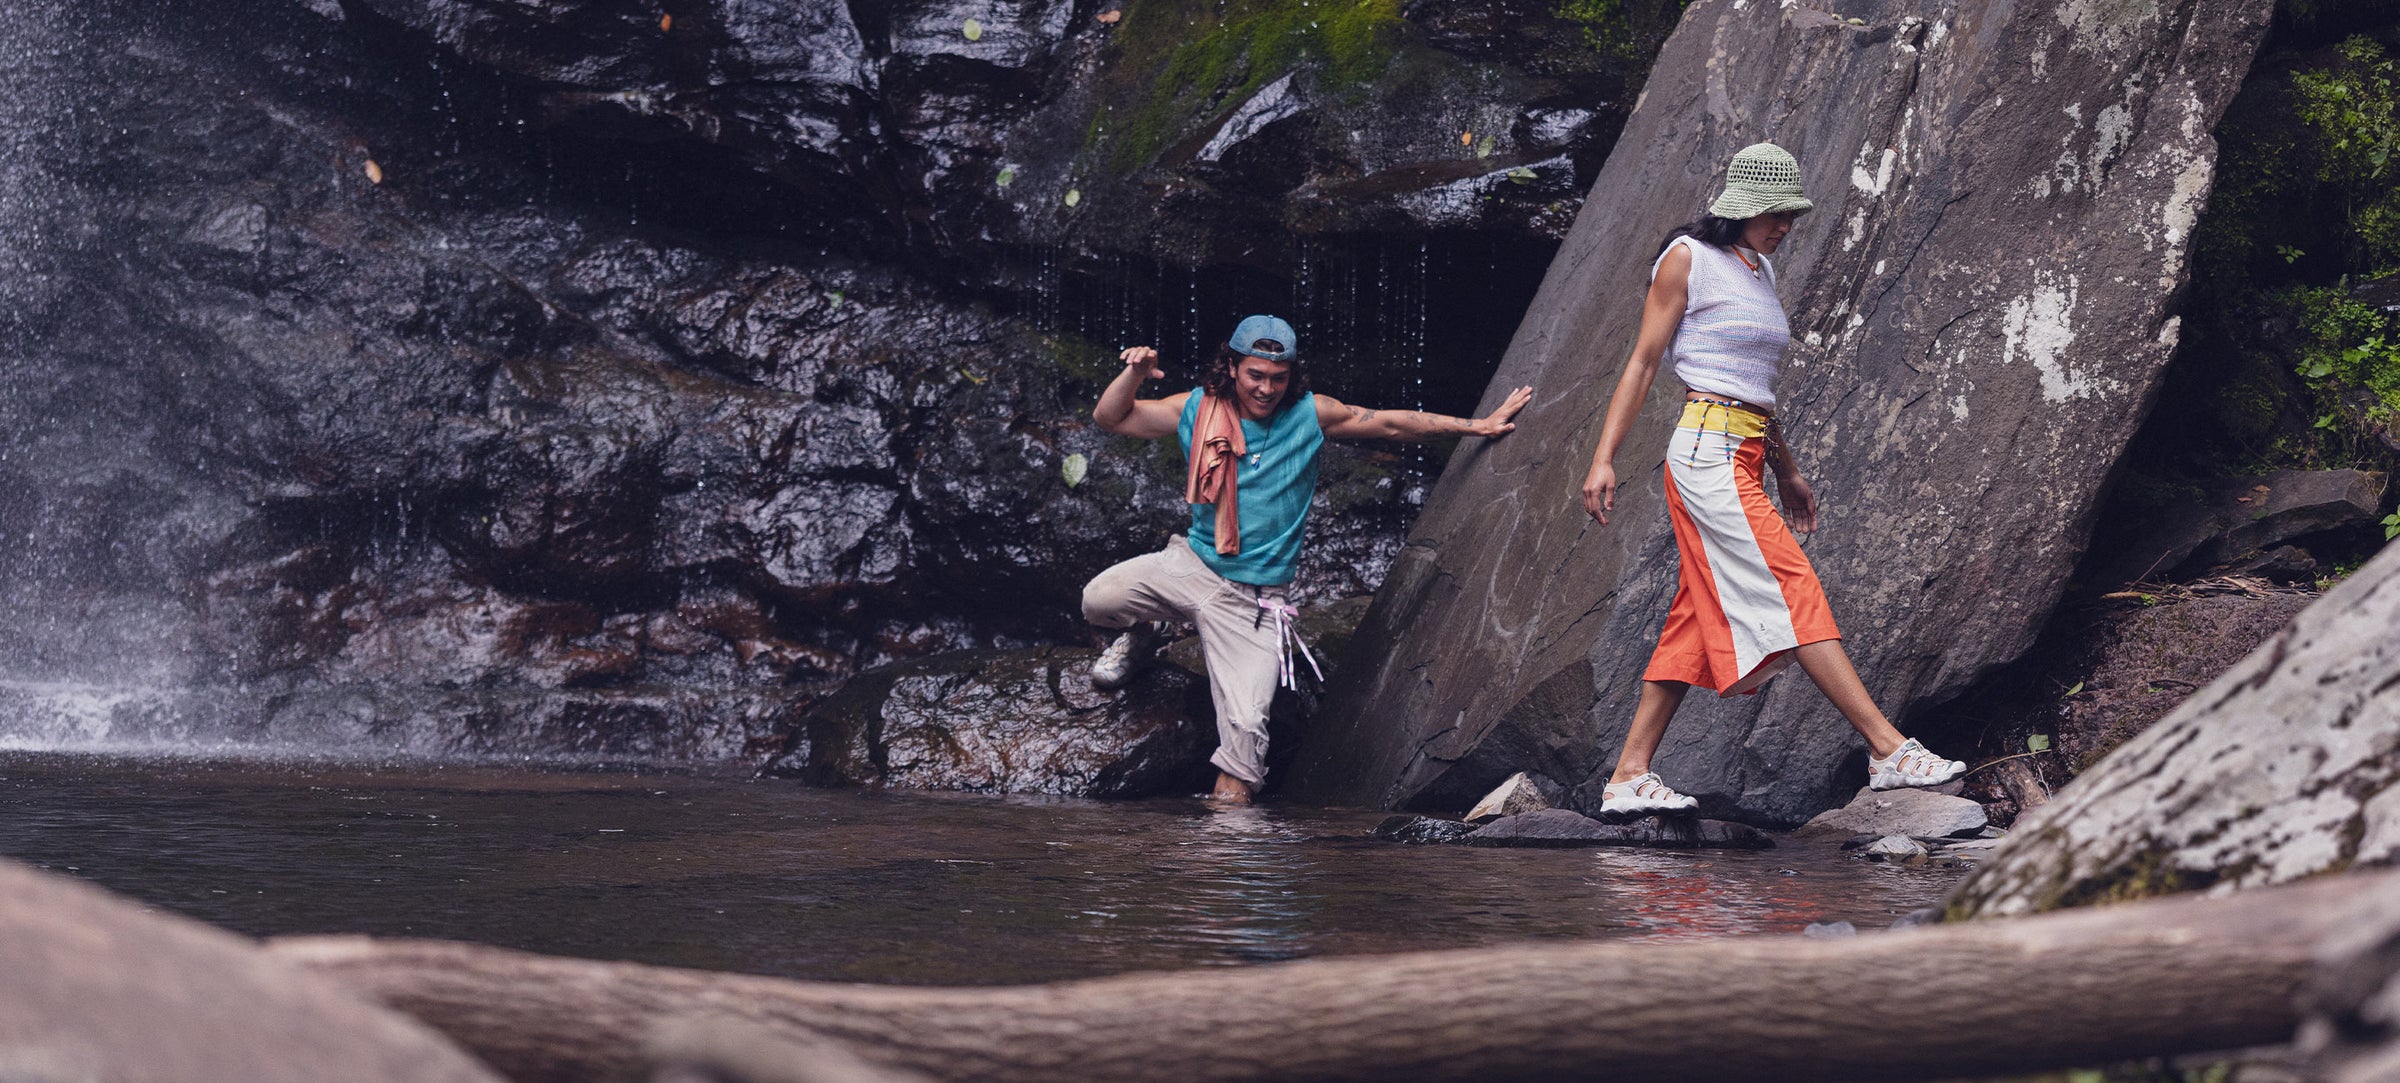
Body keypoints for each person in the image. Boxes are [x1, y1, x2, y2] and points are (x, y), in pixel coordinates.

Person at [1577, 142, 1965, 818]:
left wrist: (1787, 468)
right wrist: (1603, 456)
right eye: (1775, 214)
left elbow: (1758, 388)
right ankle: (1887, 748)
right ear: (1742, 209)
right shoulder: (1685, 260)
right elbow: (1643, 363)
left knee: (1695, 619)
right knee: (1793, 588)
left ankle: (1628, 775)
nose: (1785, 225)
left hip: (1746, 452)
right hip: (1705, 451)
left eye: (1791, 215)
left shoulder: (1761, 270)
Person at [1085, 315, 1534, 805]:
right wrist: (1132, 373)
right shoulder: (1195, 407)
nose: (1266, 388)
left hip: (1252, 602)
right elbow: (1112, 418)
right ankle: (1147, 632)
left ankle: (1223, 860)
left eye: (1278, 377)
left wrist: (1478, 426)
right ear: (1232, 367)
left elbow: (1389, 421)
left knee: (1245, 741)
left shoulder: (1310, 414)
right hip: (1191, 565)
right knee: (1098, 599)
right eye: (1255, 375)